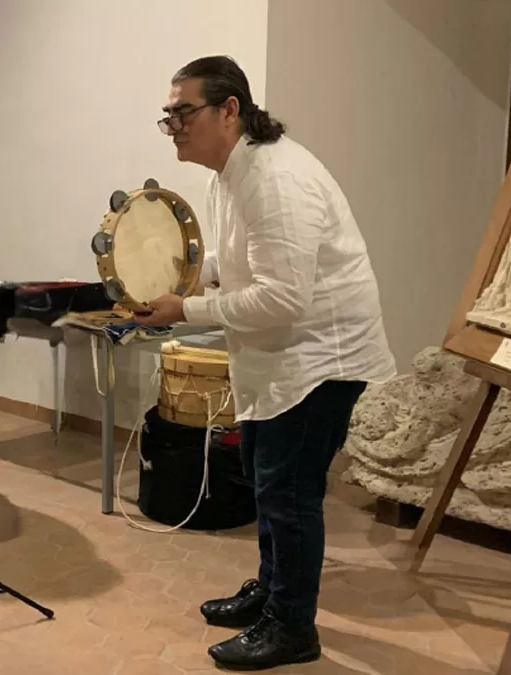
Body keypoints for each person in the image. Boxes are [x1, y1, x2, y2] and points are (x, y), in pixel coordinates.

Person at [137, 56, 396, 670]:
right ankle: (272, 590)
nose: (173, 127)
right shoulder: (228, 174)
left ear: (230, 109)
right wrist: (177, 275)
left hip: (321, 359)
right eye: (167, 116)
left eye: (183, 113)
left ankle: (292, 626)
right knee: (263, 476)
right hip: (282, 354)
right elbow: (238, 262)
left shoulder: (277, 178)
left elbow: (283, 298)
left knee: (290, 494)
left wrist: (185, 308)